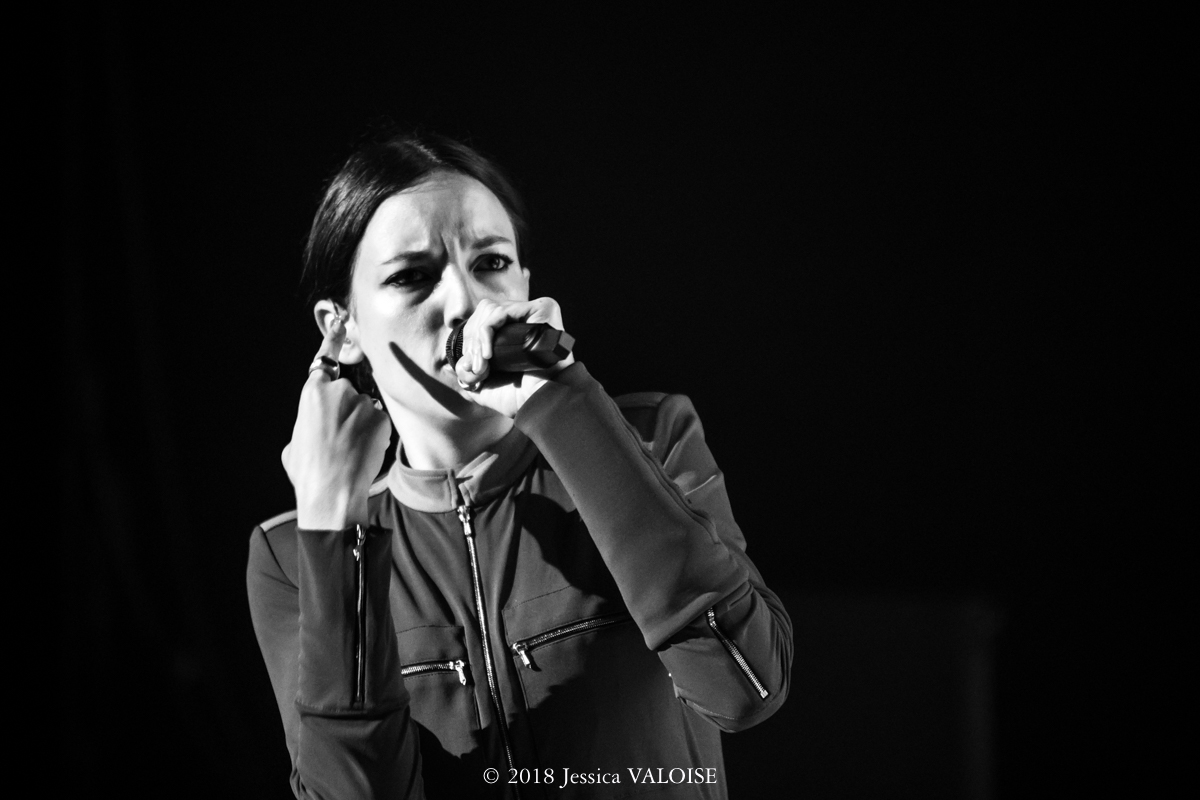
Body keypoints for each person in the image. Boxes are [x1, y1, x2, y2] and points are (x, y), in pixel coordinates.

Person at [247, 131, 793, 799]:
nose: (464, 303)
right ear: (342, 327)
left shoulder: (651, 438)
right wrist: (334, 528)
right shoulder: (289, 556)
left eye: (491, 262)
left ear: (525, 284)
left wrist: (561, 402)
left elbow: (745, 686)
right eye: (411, 276)